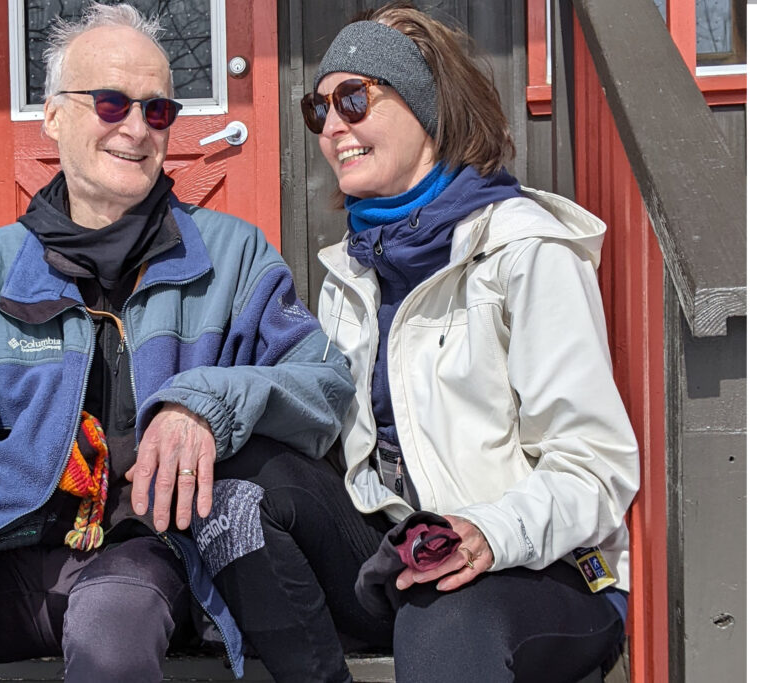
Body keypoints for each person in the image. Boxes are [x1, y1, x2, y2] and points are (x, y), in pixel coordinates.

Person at [0, 4, 355, 682]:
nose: (137, 128)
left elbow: (323, 383)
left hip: (137, 555)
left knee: (116, 625)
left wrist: (208, 402)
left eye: (158, 110)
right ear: (53, 115)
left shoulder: (234, 260)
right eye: (111, 103)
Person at [200, 3, 640, 682]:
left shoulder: (523, 251)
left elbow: (595, 467)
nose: (334, 127)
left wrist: (490, 533)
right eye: (318, 110)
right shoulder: (350, 272)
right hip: (407, 553)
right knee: (242, 490)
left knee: (443, 614)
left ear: (429, 110)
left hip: (540, 567)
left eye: (355, 99)